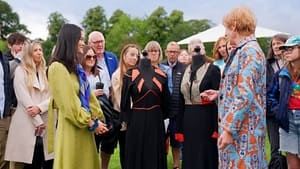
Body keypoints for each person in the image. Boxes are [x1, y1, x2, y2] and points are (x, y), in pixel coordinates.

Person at [201, 6, 267, 169]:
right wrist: (220, 93)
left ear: (234, 25)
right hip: (240, 131)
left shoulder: (250, 52)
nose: (225, 33)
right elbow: (243, 87)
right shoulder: (242, 51)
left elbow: (245, 95)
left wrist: (229, 130)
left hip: (243, 134)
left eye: (226, 27)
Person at [47, 23, 108, 169]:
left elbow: (88, 97)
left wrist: (97, 117)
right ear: (70, 40)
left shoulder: (76, 68)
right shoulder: (57, 68)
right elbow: (70, 106)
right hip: (72, 130)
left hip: (85, 129)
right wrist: (92, 123)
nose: (83, 43)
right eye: (80, 39)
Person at [5, 41, 53, 169]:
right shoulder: (20, 71)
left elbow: (52, 97)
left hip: (45, 120)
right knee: (28, 163)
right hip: (28, 121)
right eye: (35, 50)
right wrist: (38, 122)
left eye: (40, 50)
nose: (39, 52)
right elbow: (24, 98)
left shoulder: (45, 72)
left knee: (45, 161)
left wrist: (40, 108)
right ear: (29, 53)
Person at [120, 50, 170, 169]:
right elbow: (125, 101)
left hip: (156, 120)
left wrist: (165, 117)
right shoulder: (129, 74)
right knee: (137, 151)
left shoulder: (162, 74)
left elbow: (166, 101)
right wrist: (126, 119)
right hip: (136, 120)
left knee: (154, 149)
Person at [175, 39, 220, 169]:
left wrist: (216, 127)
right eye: (193, 48)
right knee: (190, 153)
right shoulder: (184, 71)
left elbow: (218, 100)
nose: (196, 50)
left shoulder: (213, 69)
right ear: (189, 52)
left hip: (206, 118)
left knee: (205, 153)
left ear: (204, 50)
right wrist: (179, 128)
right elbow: (180, 101)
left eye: (199, 48)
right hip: (188, 118)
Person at [268, 35, 300, 169]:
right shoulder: (282, 74)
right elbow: (270, 96)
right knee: (292, 162)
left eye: (290, 48)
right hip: (288, 122)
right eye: (284, 49)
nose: (286, 52)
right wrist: (279, 111)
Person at [88, 31, 118, 169]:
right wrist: (92, 94)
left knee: (109, 141)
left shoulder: (111, 58)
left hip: (108, 106)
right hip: (90, 108)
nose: (100, 45)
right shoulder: (83, 61)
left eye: (102, 41)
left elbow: (114, 82)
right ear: (89, 44)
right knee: (93, 142)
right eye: (96, 42)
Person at [111, 44, 140, 169]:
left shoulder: (139, 73)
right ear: (124, 56)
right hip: (126, 119)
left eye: (137, 55)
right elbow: (120, 101)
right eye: (132, 55)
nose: (135, 58)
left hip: (139, 116)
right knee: (126, 151)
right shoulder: (118, 76)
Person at [266, 34, 289, 167]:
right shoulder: (267, 64)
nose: (275, 46)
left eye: (278, 43)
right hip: (272, 111)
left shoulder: (293, 64)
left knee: (293, 149)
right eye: (273, 44)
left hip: (291, 110)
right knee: (275, 147)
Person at [162, 41, 186, 169]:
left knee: (176, 141)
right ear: (166, 52)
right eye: (170, 51)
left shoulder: (184, 68)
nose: (172, 54)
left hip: (178, 110)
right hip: (163, 111)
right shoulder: (160, 67)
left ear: (178, 52)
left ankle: (176, 165)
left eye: (175, 52)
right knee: (162, 140)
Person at [0, 50, 12, 169]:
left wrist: (7, 111)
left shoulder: (3, 59)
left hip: (3, 115)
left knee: (4, 155)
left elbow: (7, 85)